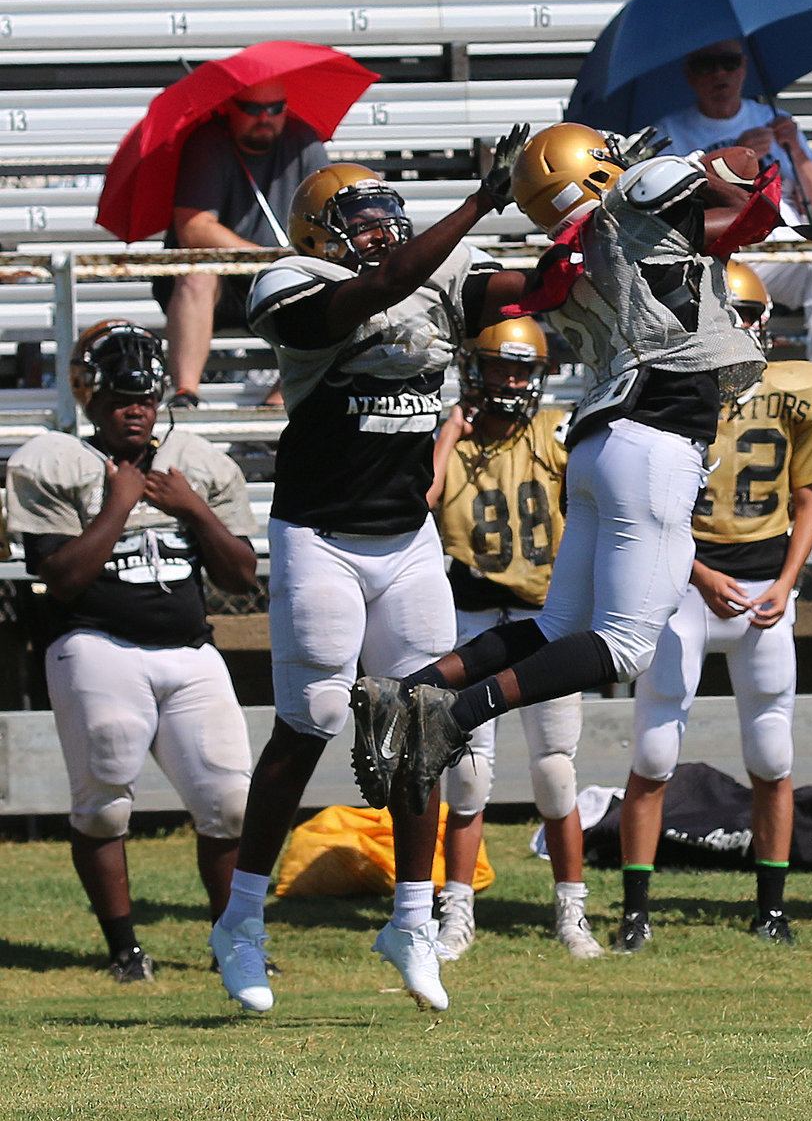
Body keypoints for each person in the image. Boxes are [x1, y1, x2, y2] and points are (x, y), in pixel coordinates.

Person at [350, 122, 770, 851]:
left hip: (604, 440)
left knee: (556, 627)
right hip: (657, 441)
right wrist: (714, 157)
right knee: (625, 646)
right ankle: (453, 713)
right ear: (595, 171)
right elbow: (737, 169)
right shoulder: (636, 201)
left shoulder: (569, 253)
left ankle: (411, 688)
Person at [207, 128, 532, 1015]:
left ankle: (413, 919)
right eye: (360, 219)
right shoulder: (289, 283)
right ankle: (239, 921)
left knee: (423, 723)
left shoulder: (438, 270)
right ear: (316, 231)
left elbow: (527, 290)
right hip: (320, 535)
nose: (383, 231)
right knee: (308, 721)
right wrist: (475, 201)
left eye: (390, 214)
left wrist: (580, 218)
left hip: (406, 540)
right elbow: (380, 289)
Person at [614, 260, 812, 953]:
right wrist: (697, 573)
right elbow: (645, 506)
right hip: (682, 587)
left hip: (763, 586)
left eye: (751, 316)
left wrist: (786, 583)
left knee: (772, 750)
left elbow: (807, 499)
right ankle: (636, 908)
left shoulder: (798, 390)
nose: (741, 329)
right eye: (729, 315)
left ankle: (772, 906)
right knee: (655, 746)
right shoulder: (665, 388)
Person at [4, 320, 258, 982]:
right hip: (93, 642)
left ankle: (234, 941)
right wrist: (116, 507)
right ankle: (125, 948)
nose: (137, 410)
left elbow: (240, 576)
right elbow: (61, 577)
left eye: (145, 397)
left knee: (231, 802)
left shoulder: (193, 463)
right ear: (91, 399)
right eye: (121, 399)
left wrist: (194, 509)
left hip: (189, 647)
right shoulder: (52, 463)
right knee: (106, 803)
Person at [424, 317, 603, 961]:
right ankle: (456, 915)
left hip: (546, 622)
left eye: (523, 369)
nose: (512, 381)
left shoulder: (555, 434)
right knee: (467, 779)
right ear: (474, 369)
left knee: (556, 774)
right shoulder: (454, 437)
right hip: (472, 623)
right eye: (501, 367)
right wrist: (447, 434)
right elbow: (422, 498)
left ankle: (571, 913)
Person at [653, 39, 812, 392]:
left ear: (744, 68)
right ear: (690, 75)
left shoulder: (772, 120)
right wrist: (734, 155)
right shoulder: (669, 132)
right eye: (707, 65)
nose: (720, 73)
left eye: (729, 62)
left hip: (779, 253)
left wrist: (796, 151)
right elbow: (667, 210)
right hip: (714, 258)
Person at [151, 78, 330, 408]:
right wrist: (266, 259)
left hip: (284, 279)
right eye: (252, 109)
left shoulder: (304, 142)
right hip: (224, 284)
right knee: (197, 272)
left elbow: (328, 218)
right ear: (229, 108)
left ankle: (280, 400)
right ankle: (185, 393)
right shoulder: (207, 142)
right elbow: (193, 229)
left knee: (337, 289)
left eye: (275, 108)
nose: (265, 118)